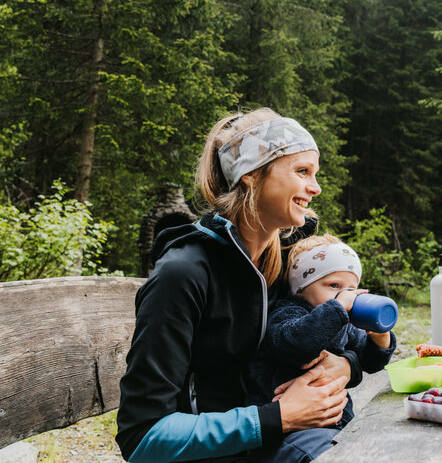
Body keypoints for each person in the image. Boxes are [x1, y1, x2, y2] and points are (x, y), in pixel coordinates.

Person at [116, 108, 361, 462]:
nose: (316, 187)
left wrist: (345, 366)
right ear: (251, 174)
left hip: (282, 444)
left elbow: (326, 342)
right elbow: (142, 438)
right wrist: (278, 417)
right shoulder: (183, 274)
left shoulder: (288, 264)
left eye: (315, 173)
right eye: (302, 171)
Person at [245, 234, 396, 461]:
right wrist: (337, 309)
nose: (345, 295)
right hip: (287, 432)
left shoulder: (344, 321)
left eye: (352, 288)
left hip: (334, 422)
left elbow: (370, 362)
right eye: (334, 285)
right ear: (301, 287)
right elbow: (297, 344)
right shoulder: (288, 313)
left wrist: (380, 338)